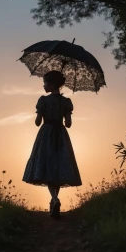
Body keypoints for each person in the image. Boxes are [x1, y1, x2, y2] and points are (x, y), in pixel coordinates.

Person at [22, 70, 82, 219]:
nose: (44, 86)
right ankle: (53, 202)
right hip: (61, 135)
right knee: (58, 167)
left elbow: (37, 123)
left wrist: (41, 113)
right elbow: (68, 124)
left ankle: (55, 200)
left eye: (45, 83)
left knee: (47, 167)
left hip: (46, 135)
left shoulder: (43, 100)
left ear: (52, 84)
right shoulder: (66, 102)